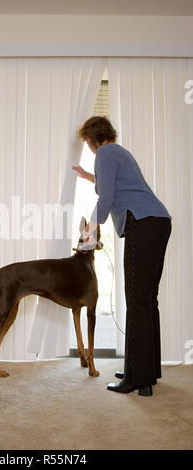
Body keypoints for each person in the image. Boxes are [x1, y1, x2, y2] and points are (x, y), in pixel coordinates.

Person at [72, 116, 172, 396]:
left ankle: (136, 380)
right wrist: (91, 178)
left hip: (142, 223)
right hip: (159, 222)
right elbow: (115, 187)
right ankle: (147, 371)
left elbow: (105, 198)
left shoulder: (103, 153)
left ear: (91, 139)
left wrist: (89, 232)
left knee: (137, 300)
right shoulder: (120, 152)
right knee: (147, 299)